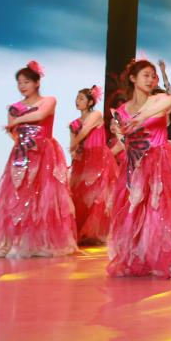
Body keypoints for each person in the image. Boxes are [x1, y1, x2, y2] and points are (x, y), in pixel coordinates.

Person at [109, 59, 171, 279]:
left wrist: (139, 118)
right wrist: (119, 135)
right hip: (136, 165)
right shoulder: (123, 110)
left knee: (162, 212)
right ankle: (139, 258)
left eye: (153, 76)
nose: (151, 79)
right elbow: (124, 140)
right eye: (145, 75)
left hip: (160, 161)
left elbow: (170, 100)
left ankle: (169, 258)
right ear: (133, 78)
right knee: (136, 213)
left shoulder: (159, 99)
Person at [0, 61, 78, 258]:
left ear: (37, 82)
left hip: (45, 153)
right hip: (22, 154)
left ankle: (42, 243)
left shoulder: (49, 100)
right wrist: (20, 139)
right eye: (19, 82)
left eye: (27, 82)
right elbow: (13, 133)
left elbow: (40, 114)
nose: (22, 86)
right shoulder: (14, 107)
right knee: (16, 196)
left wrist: (18, 120)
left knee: (44, 197)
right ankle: (6, 244)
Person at [68, 85, 116, 245]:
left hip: (98, 158)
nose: (77, 101)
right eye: (77, 98)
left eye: (81, 98)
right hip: (83, 160)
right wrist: (74, 152)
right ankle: (83, 232)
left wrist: (74, 143)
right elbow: (73, 145)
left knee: (98, 196)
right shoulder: (73, 123)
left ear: (90, 102)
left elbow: (85, 131)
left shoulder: (96, 114)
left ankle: (97, 232)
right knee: (81, 195)